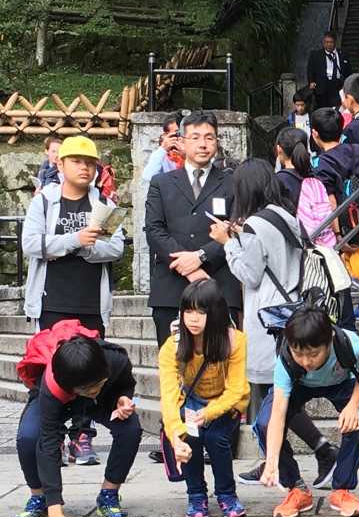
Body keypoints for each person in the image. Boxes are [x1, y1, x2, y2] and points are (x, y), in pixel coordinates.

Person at [214, 158, 341, 488]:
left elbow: (250, 274)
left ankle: (297, 466)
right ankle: (287, 455)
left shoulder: (256, 223)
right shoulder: (286, 216)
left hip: (267, 319)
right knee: (278, 393)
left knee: (268, 401)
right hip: (290, 315)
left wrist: (228, 244)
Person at [22, 135, 126, 466]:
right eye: (77, 161)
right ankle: (47, 433)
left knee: (90, 371)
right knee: (49, 371)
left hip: (90, 304)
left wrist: (80, 246)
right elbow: (31, 243)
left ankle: (83, 435)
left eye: (90, 162)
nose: (84, 167)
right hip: (51, 302)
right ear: (61, 164)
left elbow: (115, 248)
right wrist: (72, 239)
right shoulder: (44, 201)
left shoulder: (104, 204)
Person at [12, 334, 141, 517]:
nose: (92, 390)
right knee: (29, 436)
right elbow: (48, 443)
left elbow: (125, 383)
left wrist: (123, 398)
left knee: (130, 429)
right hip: (62, 402)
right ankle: (40, 498)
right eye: (86, 389)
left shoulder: (115, 359)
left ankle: (109, 492)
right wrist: (56, 511)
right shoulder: (52, 386)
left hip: (103, 402)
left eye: (96, 384)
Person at [255, 306, 359, 517]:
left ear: (328, 340)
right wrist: (271, 460)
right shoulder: (287, 361)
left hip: (342, 383)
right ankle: (297, 489)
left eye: (313, 354)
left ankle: (342, 489)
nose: (306, 361)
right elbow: (278, 415)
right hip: (299, 384)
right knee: (263, 423)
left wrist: (353, 405)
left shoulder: (351, 345)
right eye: (299, 353)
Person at [144, 110, 241, 348]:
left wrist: (201, 256)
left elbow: (236, 229)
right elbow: (154, 230)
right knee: (173, 368)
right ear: (182, 143)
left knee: (223, 365)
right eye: (195, 137)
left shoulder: (233, 183)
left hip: (219, 285)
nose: (203, 144)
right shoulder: (162, 183)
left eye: (210, 137)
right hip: (171, 288)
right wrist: (188, 268)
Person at [158, 279, 249, 517]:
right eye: (188, 311)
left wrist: (209, 413)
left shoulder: (234, 340)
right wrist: (176, 434)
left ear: (216, 313)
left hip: (226, 403)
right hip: (192, 401)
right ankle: (196, 495)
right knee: (191, 439)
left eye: (201, 312)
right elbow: (168, 396)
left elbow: (236, 389)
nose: (193, 319)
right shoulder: (172, 346)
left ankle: (227, 494)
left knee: (217, 438)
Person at [311, 107, 359, 237]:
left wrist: (337, 235)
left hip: (344, 231)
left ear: (315, 133)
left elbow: (330, 202)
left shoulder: (320, 163)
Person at [307, 32, 351, 110]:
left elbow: (348, 70)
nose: (328, 44)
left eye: (331, 42)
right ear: (323, 42)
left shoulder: (343, 54)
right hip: (323, 86)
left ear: (335, 42)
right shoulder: (316, 55)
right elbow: (310, 69)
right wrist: (311, 81)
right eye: (326, 42)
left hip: (338, 85)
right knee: (323, 110)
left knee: (338, 109)